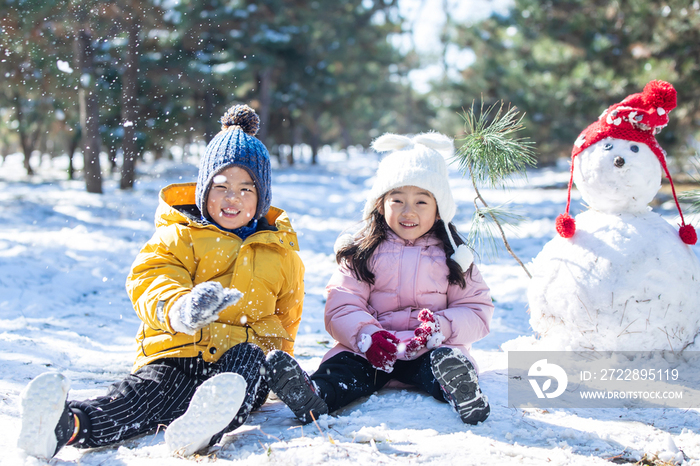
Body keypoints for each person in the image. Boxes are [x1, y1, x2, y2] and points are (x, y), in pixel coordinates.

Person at [17, 104, 305, 460]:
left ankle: (203, 428)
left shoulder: (281, 253)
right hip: (178, 349)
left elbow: (286, 318)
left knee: (244, 367)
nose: (233, 198)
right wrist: (180, 309)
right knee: (142, 397)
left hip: (240, 359)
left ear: (262, 198)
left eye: (247, 189)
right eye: (221, 186)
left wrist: (279, 363)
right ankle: (65, 425)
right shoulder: (179, 236)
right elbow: (152, 278)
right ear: (203, 189)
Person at [265, 132, 493, 426]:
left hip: (429, 349)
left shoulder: (455, 257)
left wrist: (442, 327)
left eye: (421, 202)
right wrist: (365, 336)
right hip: (371, 352)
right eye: (397, 200)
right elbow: (342, 305)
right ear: (380, 204)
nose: (408, 211)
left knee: (442, 365)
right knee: (343, 369)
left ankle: (461, 389)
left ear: (439, 210)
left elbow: (477, 311)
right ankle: (315, 394)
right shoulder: (362, 252)